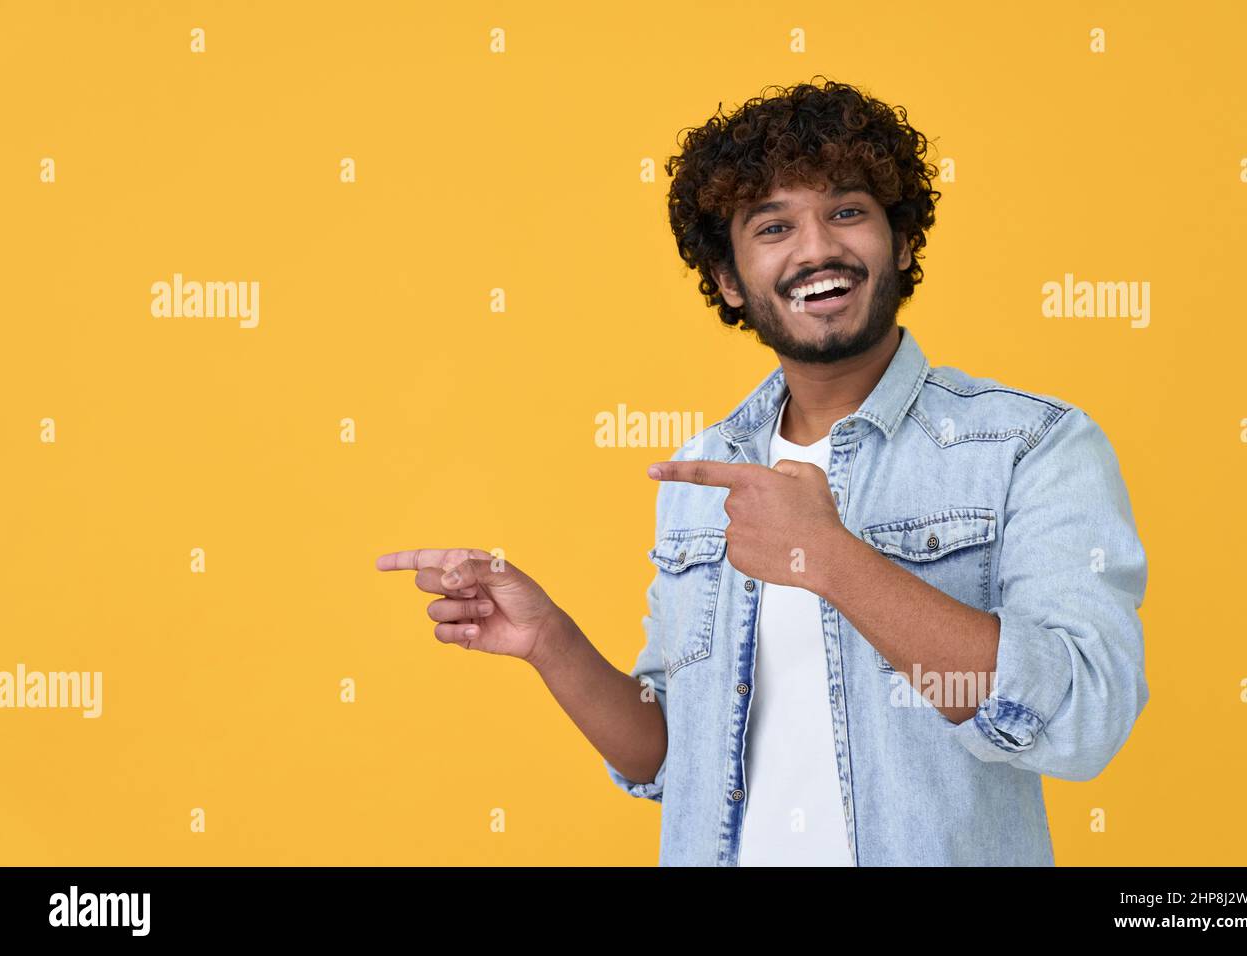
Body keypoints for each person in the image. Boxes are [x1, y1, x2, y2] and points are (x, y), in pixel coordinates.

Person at [376, 77, 1149, 866]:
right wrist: (552, 642)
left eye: (847, 212)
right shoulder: (707, 472)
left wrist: (832, 557)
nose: (817, 248)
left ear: (904, 240)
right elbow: (670, 758)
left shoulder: (1031, 444)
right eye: (773, 226)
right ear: (731, 281)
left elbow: (1084, 718)